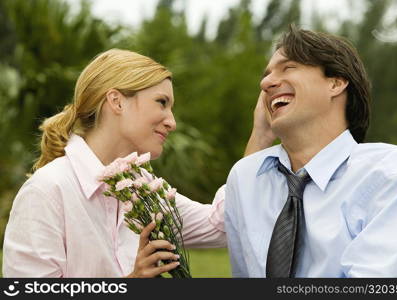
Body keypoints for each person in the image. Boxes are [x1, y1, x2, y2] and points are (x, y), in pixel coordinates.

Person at [3, 49, 275, 277]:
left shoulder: (142, 189)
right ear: (116, 101)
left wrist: (262, 135)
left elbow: (223, 225)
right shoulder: (48, 191)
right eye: (161, 102)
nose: (172, 121)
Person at [224, 24, 397, 278]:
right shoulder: (245, 177)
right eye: (267, 74)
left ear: (335, 83)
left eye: (288, 67)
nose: (266, 82)